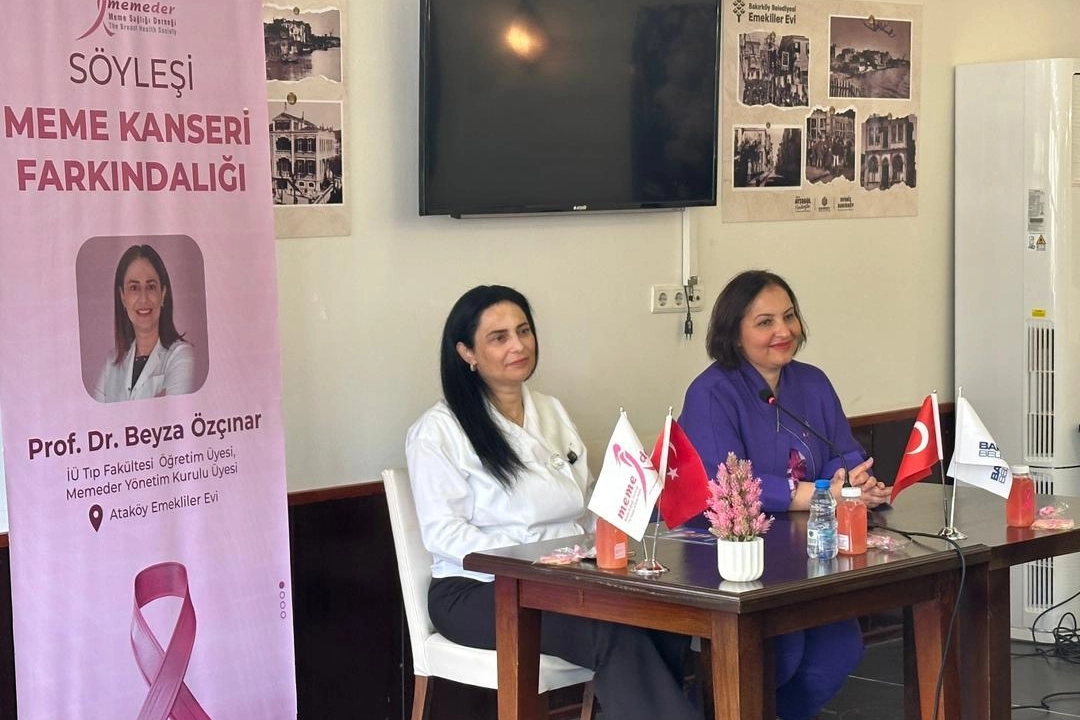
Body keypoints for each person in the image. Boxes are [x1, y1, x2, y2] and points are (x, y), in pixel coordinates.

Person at [406, 285, 701, 720]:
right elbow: (444, 533)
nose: (518, 345)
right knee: (611, 631)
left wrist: (616, 530)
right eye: (499, 337)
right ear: (467, 352)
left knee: (665, 616)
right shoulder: (438, 430)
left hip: (565, 578)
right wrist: (538, 559)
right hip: (480, 590)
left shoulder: (551, 411)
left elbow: (587, 502)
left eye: (524, 331)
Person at [679, 269, 890, 720]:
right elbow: (725, 485)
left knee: (839, 649)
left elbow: (843, 453)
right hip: (733, 556)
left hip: (806, 548)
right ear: (734, 334)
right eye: (765, 322)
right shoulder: (711, 393)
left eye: (789, 316)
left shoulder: (811, 382)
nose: (783, 331)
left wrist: (855, 484)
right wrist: (819, 495)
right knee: (783, 651)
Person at [92, 244, 195, 402]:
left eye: (151, 287)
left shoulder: (181, 356)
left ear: (163, 294)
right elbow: (92, 416)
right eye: (134, 288)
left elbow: (174, 415)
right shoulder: (111, 363)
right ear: (123, 297)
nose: (143, 298)